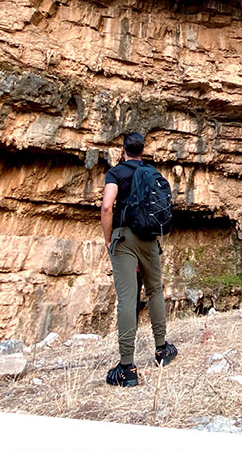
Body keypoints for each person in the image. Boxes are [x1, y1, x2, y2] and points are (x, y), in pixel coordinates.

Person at [101, 132, 178, 386]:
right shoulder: (150, 171)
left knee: (126, 297)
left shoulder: (116, 173)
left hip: (124, 238)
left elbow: (106, 206)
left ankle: (126, 368)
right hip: (149, 238)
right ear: (142, 151)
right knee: (155, 290)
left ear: (123, 150)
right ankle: (161, 349)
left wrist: (108, 238)